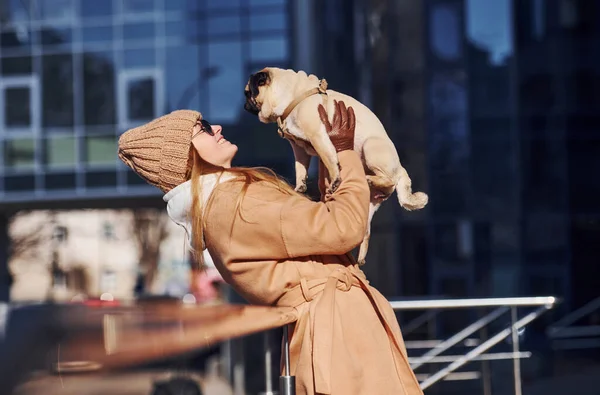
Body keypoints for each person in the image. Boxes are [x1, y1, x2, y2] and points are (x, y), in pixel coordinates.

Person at [118, 102, 423, 395]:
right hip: (338, 335)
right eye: (205, 128)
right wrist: (345, 153)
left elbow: (322, 230)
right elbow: (343, 228)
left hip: (333, 330)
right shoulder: (234, 204)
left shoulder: (225, 204)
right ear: (186, 156)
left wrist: (348, 184)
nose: (218, 128)